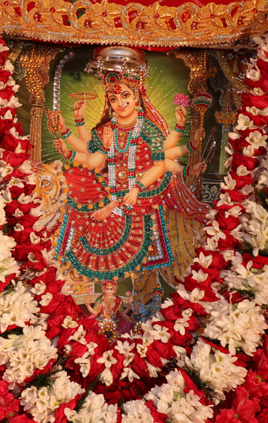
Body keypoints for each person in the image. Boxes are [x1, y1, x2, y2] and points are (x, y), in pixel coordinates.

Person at [52, 47, 208, 300]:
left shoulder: (149, 130)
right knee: (74, 184)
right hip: (110, 186)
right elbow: (93, 161)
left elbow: (159, 166)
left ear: (137, 98)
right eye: (114, 98)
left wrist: (135, 189)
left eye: (125, 96)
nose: (120, 102)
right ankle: (79, 284)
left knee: (114, 208)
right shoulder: (105, 130)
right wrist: (72, 137)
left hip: (142, 190)